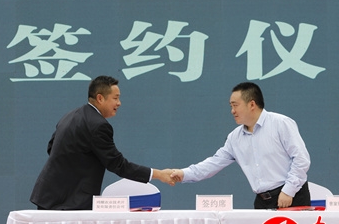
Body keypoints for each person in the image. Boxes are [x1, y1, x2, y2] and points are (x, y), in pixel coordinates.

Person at [30, 75, 176, 210]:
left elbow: (52, 148)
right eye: (115, 98)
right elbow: (118, 165)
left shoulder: (70, 115)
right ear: (100, 98)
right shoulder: (98, 126)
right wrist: (159, 174)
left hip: (48, 197)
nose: (119, 103)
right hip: (69, 203)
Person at [170, 82, 311, 209]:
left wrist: (288, 191)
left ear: (252, 104)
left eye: (235, 105)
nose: (232, 111)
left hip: (291, 197)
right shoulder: (234, 137)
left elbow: (301, 159)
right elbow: (213, 163)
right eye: (231, 106)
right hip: (262, 202)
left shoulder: (281, 123)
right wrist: (183, 173)